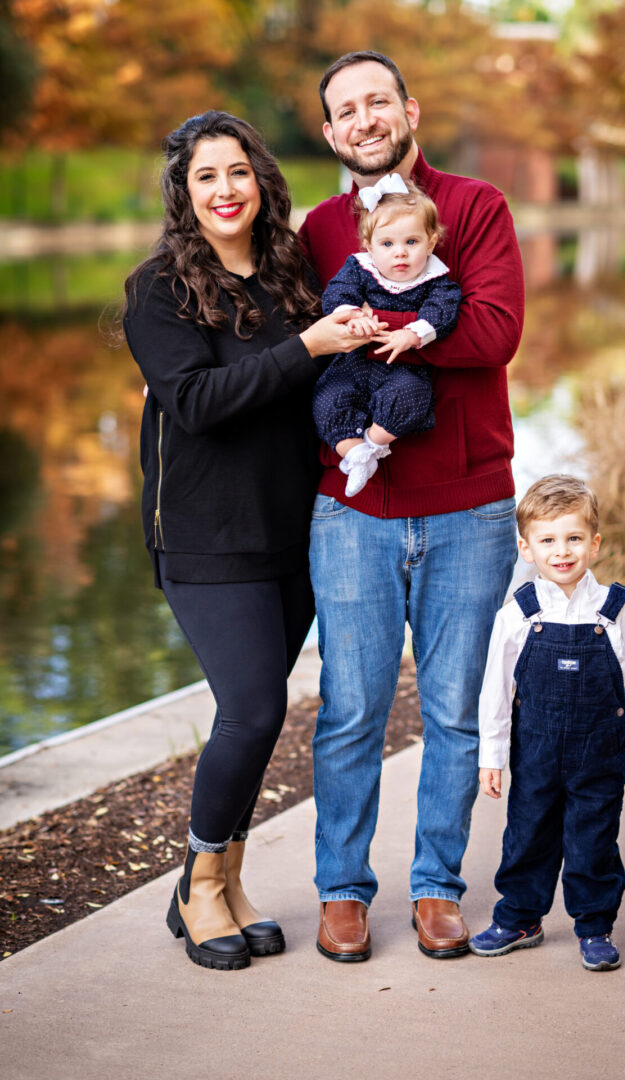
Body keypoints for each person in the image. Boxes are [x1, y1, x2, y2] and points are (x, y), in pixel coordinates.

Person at [123, 109, 376, 971]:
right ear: (183, 193)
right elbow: (196, 403)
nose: (225, 190)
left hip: (290, 527)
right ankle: (199, 885)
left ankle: (220, 879)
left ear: (261, 180)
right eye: (206, 177)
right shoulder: (158, 290)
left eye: (238, 171)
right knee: (254, 709)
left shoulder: (292, 272)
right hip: (203, 534)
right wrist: (305, 346)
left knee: (260, 718)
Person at [298, 51, 525, 962]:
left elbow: (494, 330)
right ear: (329, 132)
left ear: (408, 109)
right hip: (350, 509)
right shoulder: (314, 230)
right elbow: (296, 343)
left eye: (377, 101)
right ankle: (343, 892)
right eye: (345, 109)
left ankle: (437, 888)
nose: (364, 118)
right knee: (350, 710)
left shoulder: (472, 208)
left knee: (454, 711)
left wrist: (378, 333)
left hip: (468, 504)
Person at [470, 475, 625, 971]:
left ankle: (595, 926)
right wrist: (490, 757)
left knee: (593, 839)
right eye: (548, 540)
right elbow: (496, 692)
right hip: (534, 751)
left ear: (594, 544)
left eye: (574, 538)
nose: (562, 551)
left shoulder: (613, 610)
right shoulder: (518, 613)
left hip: (598, 753)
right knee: (527, 834)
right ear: (526, 547)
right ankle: (519, 916)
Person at [313, 175, 462, 496]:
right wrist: (351, 315)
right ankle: (352, 453)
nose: (400, 254)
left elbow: (443, 309)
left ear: (431, 241)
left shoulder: (437, 280)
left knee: (411, 396)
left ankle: (371, 446)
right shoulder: (359, 268)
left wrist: (413, 334)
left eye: (412, 242)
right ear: (369, 245)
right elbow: (338, 293)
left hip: (402, 368)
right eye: (387, 244)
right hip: (351, 365)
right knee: (328, 399)